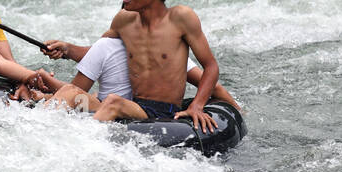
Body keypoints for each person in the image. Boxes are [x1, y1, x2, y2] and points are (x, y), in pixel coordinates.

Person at [41, 0, 223, 131]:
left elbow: (211, 66)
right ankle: (39, 133)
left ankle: (83, 148)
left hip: (161, 112)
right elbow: (101, 51)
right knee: (70, 92)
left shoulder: (181, 18)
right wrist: (67, 49)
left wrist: (197, 105)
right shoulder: (124, 19)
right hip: (132, 106)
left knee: (113, 102)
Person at [19, 35, 239, 117]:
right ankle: (37, 115)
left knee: (88, 96)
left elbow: (213, 87)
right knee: (73, 93)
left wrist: (235, 113)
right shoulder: (105, 47)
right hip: (105, 105)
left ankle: (41, 101)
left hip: (127, 109)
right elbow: (77, 91)